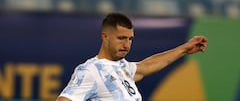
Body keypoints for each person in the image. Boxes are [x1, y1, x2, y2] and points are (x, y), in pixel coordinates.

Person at [56, 13, 208, 101]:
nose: (127, 44)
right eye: (121, 38)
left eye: (130, 39)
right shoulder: (91, 71)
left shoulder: (123, 66)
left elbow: (147, 66)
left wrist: (184, 49)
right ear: (105, 37)